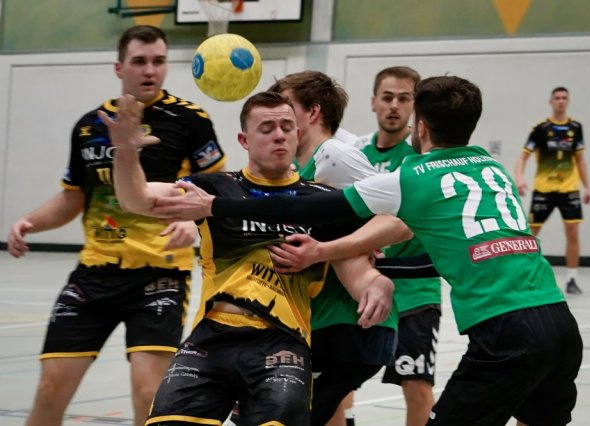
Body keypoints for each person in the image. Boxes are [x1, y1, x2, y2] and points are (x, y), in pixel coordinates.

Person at [155, 75, 584, 426]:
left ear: (421, 127)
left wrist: (216, 206)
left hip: (504, 329)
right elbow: (432, 247)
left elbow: (307, 208)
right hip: (560, 320)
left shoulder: (411, 178)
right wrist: (345, 259)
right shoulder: (494, 169)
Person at [103, 91, 398, 425]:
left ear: (297, 134)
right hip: (211, 339)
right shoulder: (212, 189)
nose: (279, 135)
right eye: (267, 128)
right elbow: (137, 200)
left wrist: (377, 284)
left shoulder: (320, 201)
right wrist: (125, 152)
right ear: (244, 140)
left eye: (286, 127)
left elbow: (356, 268)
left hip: (282, 344)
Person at [5, 25, 227, 426]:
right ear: (119, 68)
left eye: (158, 61)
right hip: (94, 274)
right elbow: (73, 197)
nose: (150, 70)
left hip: (160, 275)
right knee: (49, 390)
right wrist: (29, 222)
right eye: (139, 61)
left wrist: (193, 226)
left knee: (149, 394)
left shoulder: (190, 120)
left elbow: (217, 191)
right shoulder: (90, 126)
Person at [267, 70, 403, 426]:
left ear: (313, 112)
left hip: (350, 321)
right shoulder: (294, 167)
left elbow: (400, 218)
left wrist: (335, 248)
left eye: (286, 107)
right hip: (320, 320)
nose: (278, 117)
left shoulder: (333, 155)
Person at [355, 66, 441, 426]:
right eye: (387, 97)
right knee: (339, 376)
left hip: (414, 293)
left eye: (404, 99)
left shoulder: (420, 158)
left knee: (416, 384)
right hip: (358, 288)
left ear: (414, 106)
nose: (394, 106)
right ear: (373, 102)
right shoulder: (355, 155)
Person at [514, 86, 590, 295]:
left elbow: (580, 160)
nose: (561, 101)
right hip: (544, 190)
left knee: (573, 232)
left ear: (568, 101)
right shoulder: (540, 129)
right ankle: (524, 275)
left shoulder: (576, 128)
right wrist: (519, 178)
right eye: (557, 98)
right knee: (530, 234)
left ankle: (572, 279)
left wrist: (587, 186)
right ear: (551, 102)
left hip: (569, 189)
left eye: (564, 98)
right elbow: (523, 157)